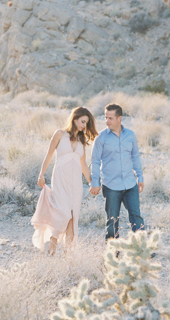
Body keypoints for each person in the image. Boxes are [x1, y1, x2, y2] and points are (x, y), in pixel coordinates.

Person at [31, 106, 97, 255]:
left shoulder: (82, 140)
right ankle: (52, 245)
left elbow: (84, 165)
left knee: (73, 217)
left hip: (76, 183)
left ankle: (68, 252)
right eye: (82, 121)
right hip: (60, 179)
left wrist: (93, 182)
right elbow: (48, 155)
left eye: (86, 123)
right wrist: (41, 175)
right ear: (74, 119)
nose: (83, 125)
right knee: (63, 213)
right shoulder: (60, 134)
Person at [89, 103, 145, 239]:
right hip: (111, 186)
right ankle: (113, 252)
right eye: (105, 117)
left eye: (110, 118)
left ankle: (142, 249)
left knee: (136, 217)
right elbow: (95, 161)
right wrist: (94, 182)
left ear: (119, 118)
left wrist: (140, 177)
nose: (106, 121)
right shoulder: (101, 138)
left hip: (130, 184)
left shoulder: (130, 135)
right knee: (112, 220)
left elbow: (135, 157)